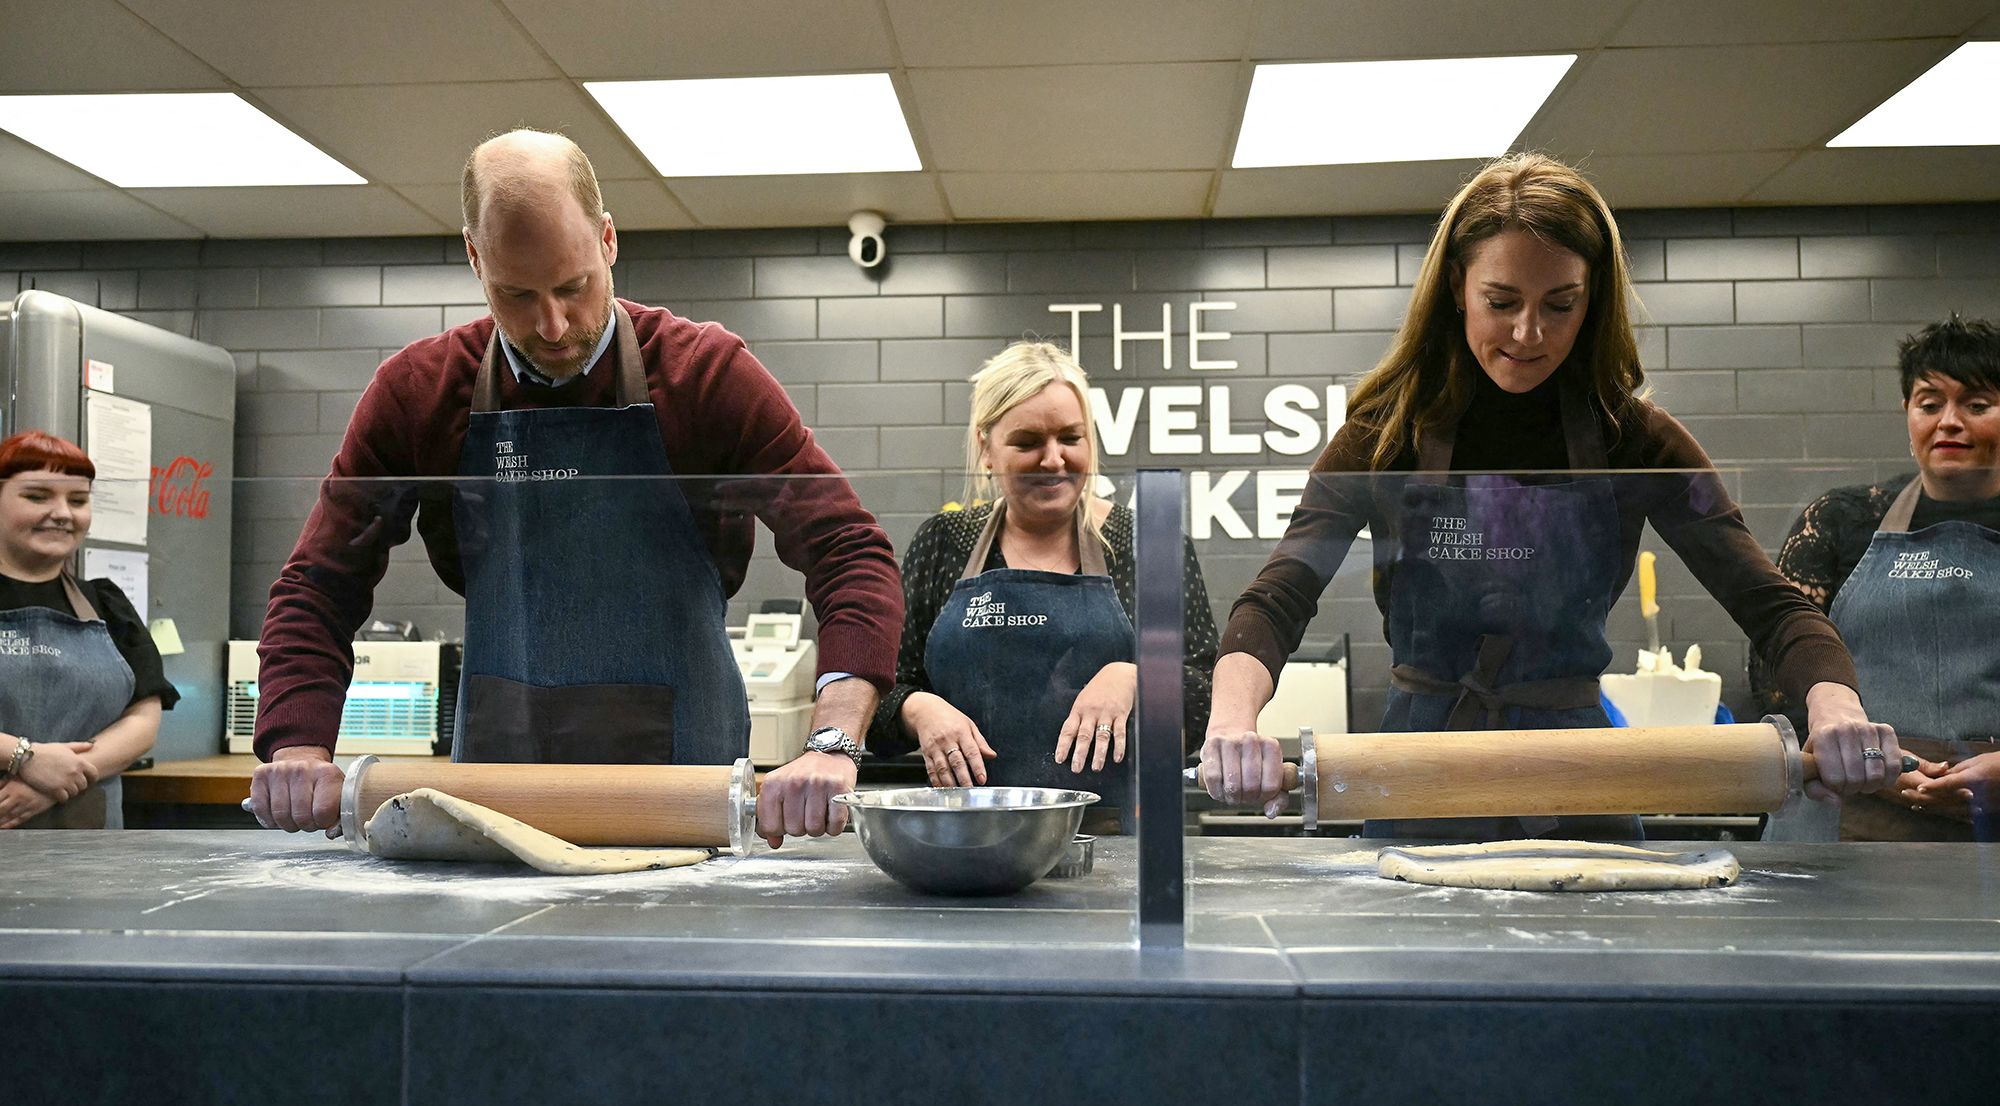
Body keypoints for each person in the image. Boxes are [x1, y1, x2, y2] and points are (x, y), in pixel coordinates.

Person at [1200, 152, 1900, 838]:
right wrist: (1232, 720)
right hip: (1418, 771)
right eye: (1501, 302)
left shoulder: (1637, 442)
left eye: (1559, 305)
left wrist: (1834, 703)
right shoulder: (1384, 438)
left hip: (1578, 774)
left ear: (1591, 299)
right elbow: (1277, 597)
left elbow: (1770, 605)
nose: (1528, 333)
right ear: (1454, 286)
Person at [248, 129, 902, 845]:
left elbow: (849, 551)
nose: (553, 325)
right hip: (497, 800)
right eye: (516, 294)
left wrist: (833, 738)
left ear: (609, 240)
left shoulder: (705, 375)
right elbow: (318, 585)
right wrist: (298, 747)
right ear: (474, 257)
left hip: (687, 796)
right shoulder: (419, 393)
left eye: (573, 286)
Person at [870, 342, 1217, 817]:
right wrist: (920, 711)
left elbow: (1209, 692)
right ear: (986, 448)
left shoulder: (1148, 543)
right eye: (1028, 441)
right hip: (969, 829)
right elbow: (882, 691)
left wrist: (1135, 677)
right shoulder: (944, 542)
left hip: (1123, 835)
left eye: (1070, 438)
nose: (1053, 460)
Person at [1763, 316, 1999, 839]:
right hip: (1848, 812)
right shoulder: (1842, 520)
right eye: (1930, 403)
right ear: (1907, 412)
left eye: (1977, 405)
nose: (1949, 422)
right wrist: (1864, 758)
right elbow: (1775, 666)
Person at [0, 431, 179, 829]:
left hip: (86, 842)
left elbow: (142, 719)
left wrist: (58, 778)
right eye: (37, 496)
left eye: (77, 500)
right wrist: (25, 757)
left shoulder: (106, 604)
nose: (63, 513)